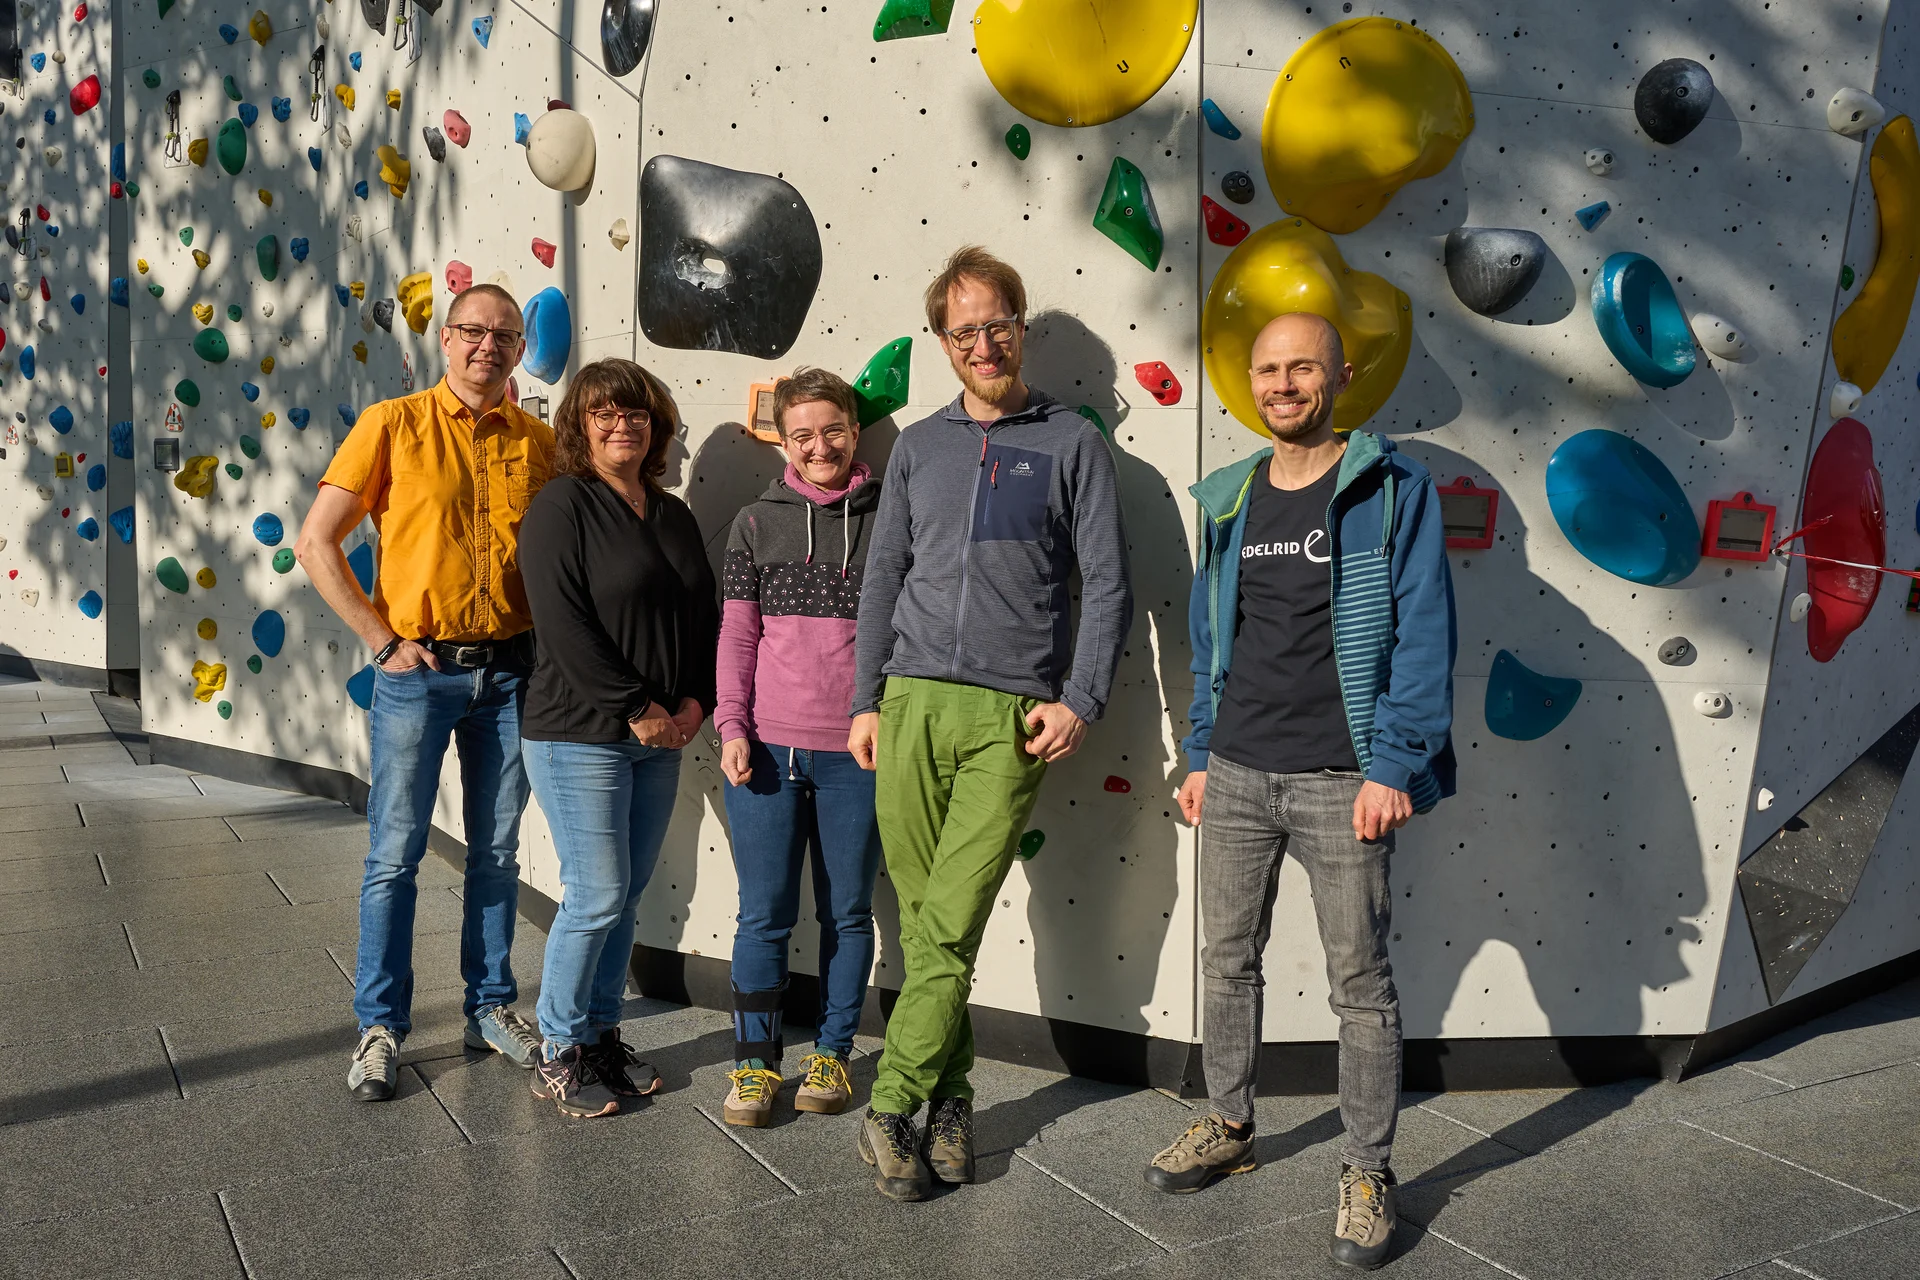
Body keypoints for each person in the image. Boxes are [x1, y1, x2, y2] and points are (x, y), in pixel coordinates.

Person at [1145, 313, 1456, 1271]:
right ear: (1251, 381)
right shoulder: (1233, 496)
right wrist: (1198, 750)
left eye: (1303, 367)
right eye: (1270, 369)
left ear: (1340, 375)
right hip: (1236, 771)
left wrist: (1394, 765)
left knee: (1360, 986)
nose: (1284, 383)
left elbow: (1424, 635)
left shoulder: (1392, 488)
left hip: (1342, 778)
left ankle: (1368, 1170)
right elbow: (1212, 634)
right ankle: (1229, 1123)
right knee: (1226, 960)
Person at [848, 246, 1133, 1201]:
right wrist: (864, 699)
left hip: (1011, 716)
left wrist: (1081, 697)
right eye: (962, 330)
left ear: (1021, 325)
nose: (982, 342)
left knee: (954, 918)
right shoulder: (919, 447)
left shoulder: (1073, 443)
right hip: (910, 702)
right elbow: (882, 576)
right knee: (931, 927)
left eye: (996, 323)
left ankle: (890, 1103)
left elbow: (1108, 585)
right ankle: (956, 1095)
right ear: (942, 342)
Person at [295, 283, 553, 1102]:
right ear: (445, 339)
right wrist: (380, 642)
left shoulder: (540, 443)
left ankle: (490, 1007)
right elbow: (316, 542)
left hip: (512, 672)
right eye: (473, 331)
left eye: (504, 335)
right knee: (395, 855)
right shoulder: (391, 426)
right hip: (420, 672)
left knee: (500, 851)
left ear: (519, 348)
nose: (488, 346)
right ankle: (380, 1027)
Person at [516, 359, 717, 1118]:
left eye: (636, 413)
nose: (622, 424)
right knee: (596, 893)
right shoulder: (562, 505)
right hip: (581, 733)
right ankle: (559, 1049)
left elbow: (702, 617)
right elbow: (563, 626)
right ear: (581, 425)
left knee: (626, 895)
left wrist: (697, 699)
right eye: (604, 413)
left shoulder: (671, 515)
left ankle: (601, 1035)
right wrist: (636, 705)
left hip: (660, 734)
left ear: (656, 426)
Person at [714, 367, 882, 1127]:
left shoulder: (891, 518)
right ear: (782, 439)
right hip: (767, 756)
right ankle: (754, 1066)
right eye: (802, 434)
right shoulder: (754, 523)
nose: (820, 446)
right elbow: (739, 636)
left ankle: (833, 1054)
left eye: (833, 430)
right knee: (763, 916)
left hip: (858, 754)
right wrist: (732, 727)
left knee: (847, 913)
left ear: (856, 429)